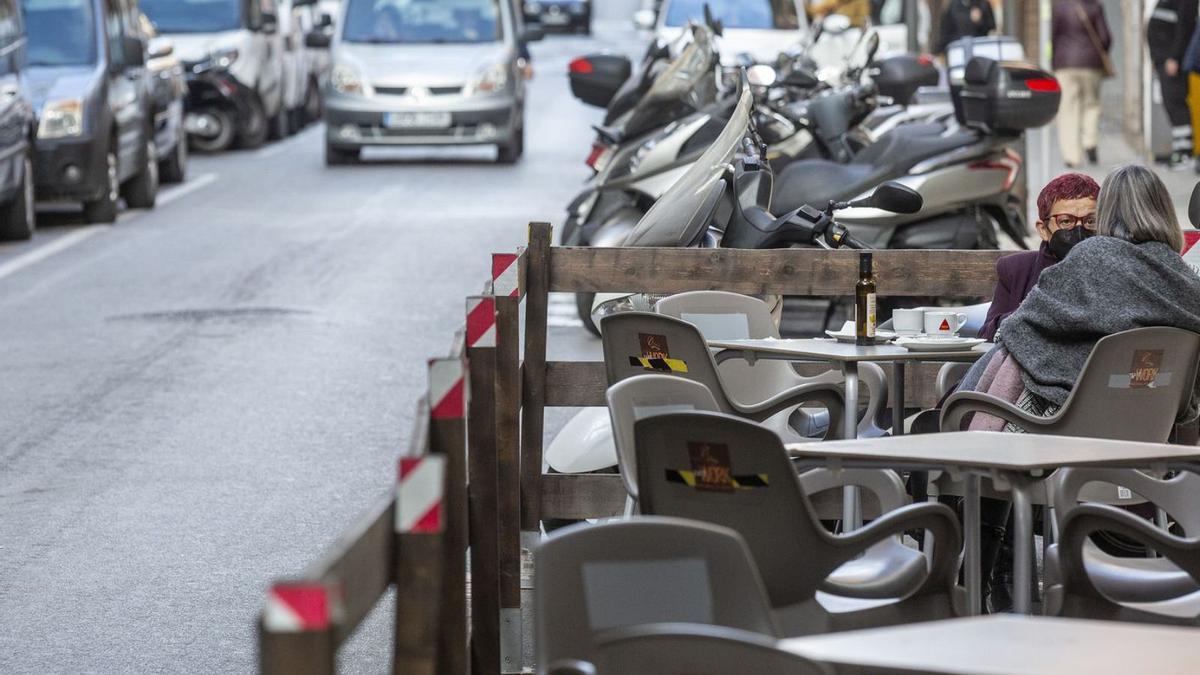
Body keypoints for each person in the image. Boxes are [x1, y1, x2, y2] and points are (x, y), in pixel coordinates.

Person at [964, 164, 1200, 612]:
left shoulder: (1091, 260)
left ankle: (979, 588)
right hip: (1147, 446)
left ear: (1107, 211)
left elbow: (1021, 328)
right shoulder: (1184, 280)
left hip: (1061, 441)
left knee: (991, 427)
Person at [979, 172, 1100, 342]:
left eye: (1090, 221)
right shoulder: (1016, 270)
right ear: (1043, 229)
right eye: (1066, 221)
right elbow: (988, 335)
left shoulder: (1115, 270)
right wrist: (1032, 314)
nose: (1079, 230)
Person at [1052, 0, 1111, 168]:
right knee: (1091, 105)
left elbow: (1054, 36)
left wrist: (1055, 61)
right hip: (1090, 63)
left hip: (1064, 65)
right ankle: (1090, 143)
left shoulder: (1059, 7)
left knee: (1067, 109)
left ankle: (1072, 157)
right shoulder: (1095, 6)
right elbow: (1105, 37)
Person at [1147, 0, 1198, 169]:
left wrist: (1175, 57)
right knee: (1170, 102)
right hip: (1163, 60)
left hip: (1172, 62)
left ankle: (1185, 154)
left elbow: (1185, 28)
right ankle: (1180, 150)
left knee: (1176, 102)